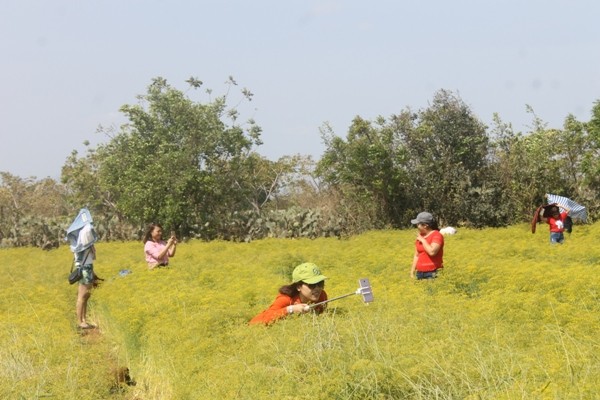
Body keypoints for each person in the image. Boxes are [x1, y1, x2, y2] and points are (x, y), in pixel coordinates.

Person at [249, 263, 328, 325]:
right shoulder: (286, 299)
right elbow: (260, 321)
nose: (318, 288)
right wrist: (290, 309)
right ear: (298, 287)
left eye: (320, 283)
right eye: (312, 285)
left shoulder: (322, 295)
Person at [410, 211, 444, 280]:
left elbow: (432, 252)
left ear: (425, 225)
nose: (417, 226)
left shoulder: (437, 235)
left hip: (432, 272)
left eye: (418, 224)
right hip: (419, 273)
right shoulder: (420, 236)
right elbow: (417, 255)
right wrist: (412, 271)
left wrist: (423, 240)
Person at [74, 228, 97, 329]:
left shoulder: (86, 245)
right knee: (82, 296)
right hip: (85, 269)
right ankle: (80, 321)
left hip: (88, 268)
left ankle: (83, 319)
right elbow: (80, 260)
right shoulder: (80, 246)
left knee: (86, 296)